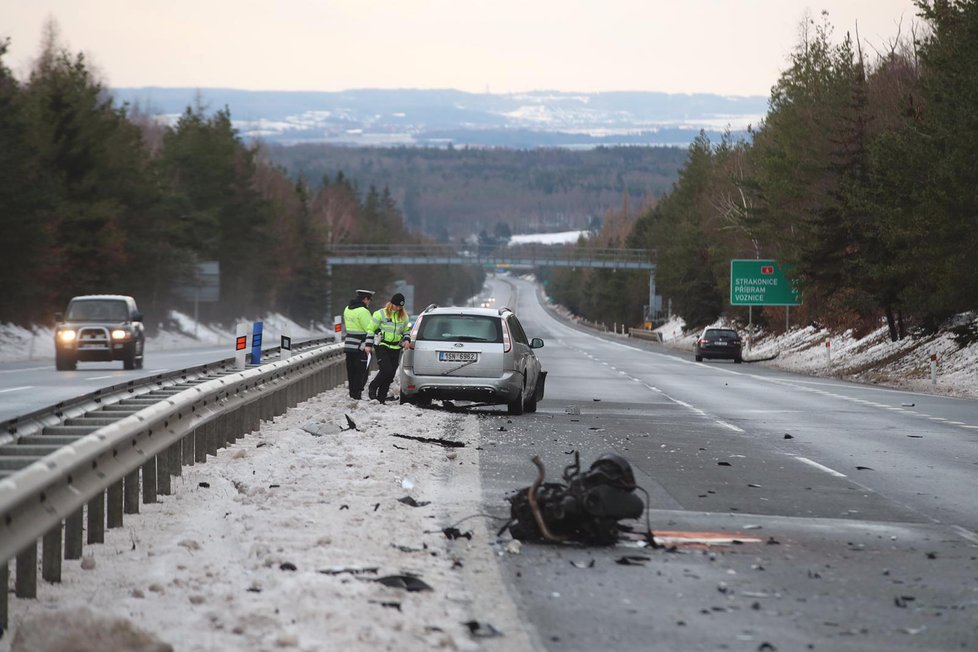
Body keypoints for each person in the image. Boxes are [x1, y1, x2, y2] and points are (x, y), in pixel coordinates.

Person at [366, 292, 413, 404]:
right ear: (391, 304)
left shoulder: (404, 316)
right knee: (386, 369)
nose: (398, 308)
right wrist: (368, 345)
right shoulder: (380, 314)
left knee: (391, 373)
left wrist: (407, 339)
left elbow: (406, 331)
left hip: (396, 347)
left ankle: (381, 398)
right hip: (382, 345)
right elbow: (370, 329)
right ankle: (373, 387)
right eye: (396, 306)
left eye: (400, 306)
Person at [342, 289, 374, 399]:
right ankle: (357, 394)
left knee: (351, 371)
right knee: (361, 372)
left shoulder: (347, 309)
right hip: (360, 346)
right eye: (369, 299)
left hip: (349, 344)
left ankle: (352, 393)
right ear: (365, 299)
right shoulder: (363, 311)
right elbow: (369, 328)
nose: (369, 302)